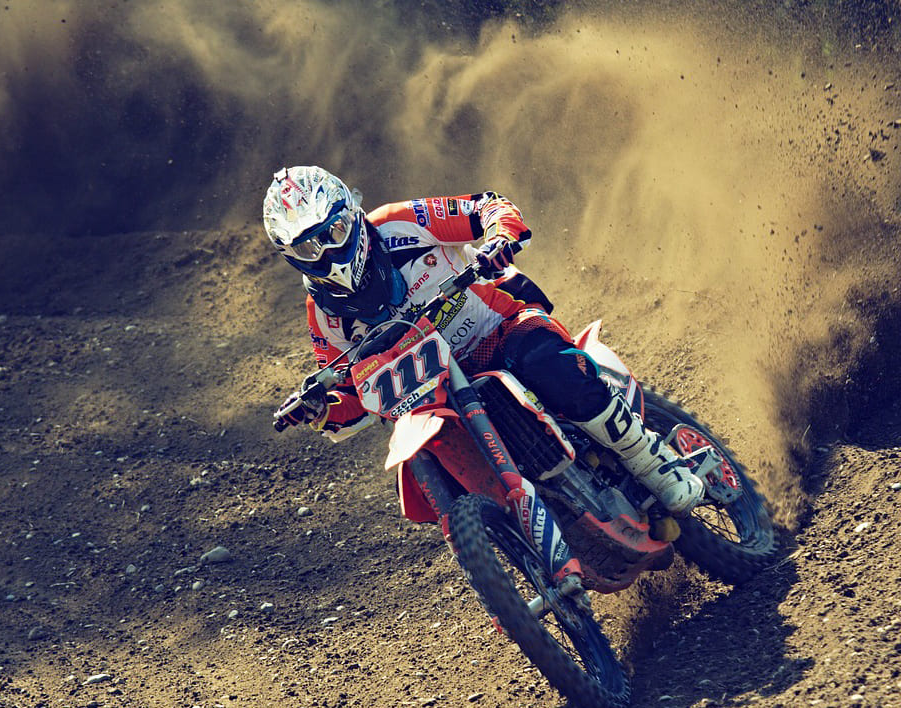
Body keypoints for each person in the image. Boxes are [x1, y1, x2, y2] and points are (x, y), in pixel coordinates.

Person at [264, 164, 703, 524]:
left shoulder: (399, 223)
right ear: (291, 258)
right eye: (308, 249)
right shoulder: (323, 315)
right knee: (434, 466)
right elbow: (350, 389)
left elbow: (486, 206)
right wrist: (320, 409)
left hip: (498, 331)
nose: (328, 253)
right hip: (439, 396)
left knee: (543, 360)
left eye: (334, 231)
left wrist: (499, 238)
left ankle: (651, 461)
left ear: (351, 214)